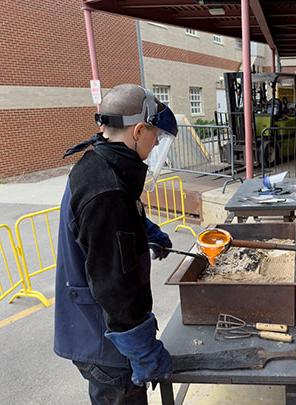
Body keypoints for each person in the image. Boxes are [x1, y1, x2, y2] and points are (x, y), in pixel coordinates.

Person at [54, 84, 179, 404]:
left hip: (98, 331)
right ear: (139, 130)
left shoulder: (98, 163)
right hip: (107, 342)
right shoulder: (106, 189)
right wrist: (143, 350)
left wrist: (142, 229)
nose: (154, 147)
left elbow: (95, 228)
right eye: (155, 137)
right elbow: (114, 285)